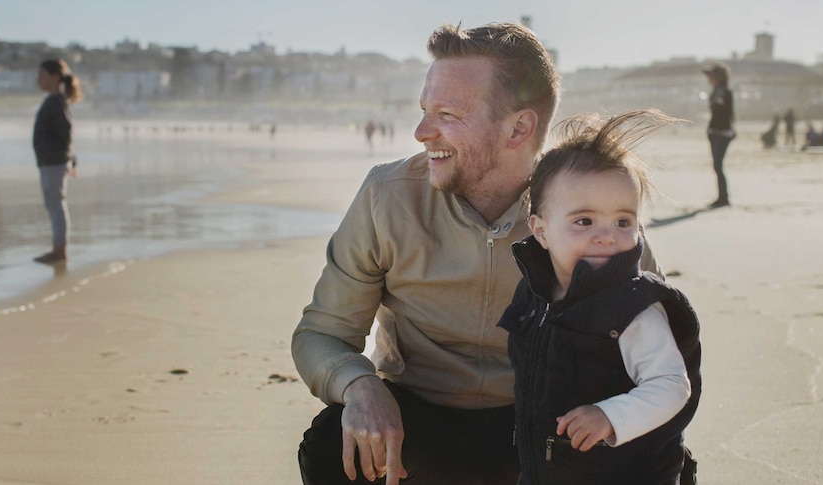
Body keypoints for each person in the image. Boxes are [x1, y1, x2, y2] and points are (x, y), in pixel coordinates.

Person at [291, 22, 661, 485]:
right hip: (419, 423)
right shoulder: (387, 197)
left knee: (656, 456)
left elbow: (660, 354)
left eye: (447, 114)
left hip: (551, 426)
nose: (422, 132)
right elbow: (321, 333)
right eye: (425, 110)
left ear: (519, 127)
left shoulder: (590, 207)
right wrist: (360, 384)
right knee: (332, 444)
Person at [498, 109, 701, 484]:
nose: (607, 235)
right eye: (584, 221)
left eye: (623, 221)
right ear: (540, 231)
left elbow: (672, 385)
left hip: (629, 472)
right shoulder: (535, 294)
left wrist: (611, 417)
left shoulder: (633, 308)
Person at [32, 58, 81, 264]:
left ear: (54, 77)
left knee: (56, 206)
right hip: (49, 162)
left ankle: (60, 251)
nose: (38, 80)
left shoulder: (56, 102)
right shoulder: (53, 100)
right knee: (53, 205)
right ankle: (57, 248)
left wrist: (69, 159)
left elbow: (66, 132)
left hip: (54, 162)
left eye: (42, 75)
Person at [703, 62, 734, 208]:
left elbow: (725, 115)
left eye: (711, 76)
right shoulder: (718, 92)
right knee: (717, 166)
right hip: (718, 132)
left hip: (720, 133)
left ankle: (723, 198)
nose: (709, 79)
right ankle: (722, 197)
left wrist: (714, 130)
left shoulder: (723, 93)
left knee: (718, 166)